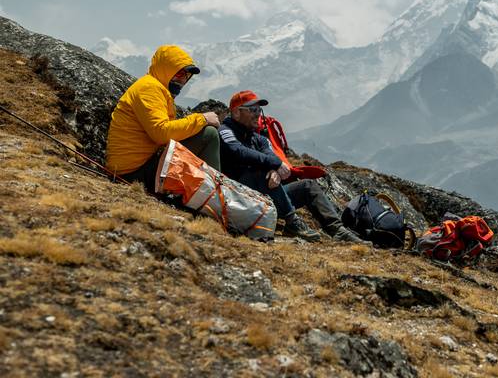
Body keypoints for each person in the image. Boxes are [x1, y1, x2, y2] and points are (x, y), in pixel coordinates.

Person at [219, 90, 369, 244]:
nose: (258, 114)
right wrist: (273, 166)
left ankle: (337, 230)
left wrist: (273, 169)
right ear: (237, 112)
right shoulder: (225, 131)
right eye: (253, 109)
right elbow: (239, 152)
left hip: (266, 195)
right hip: (238, 198)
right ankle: (292, 221)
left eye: (259, 109)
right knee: (258, 172)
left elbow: (271, 155)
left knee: (308, 186)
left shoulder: (258, 138)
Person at [106, 45, 221, 191]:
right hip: (132, 173)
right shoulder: (149, 88)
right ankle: (216, 192)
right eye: (179, 74)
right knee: (209, 134)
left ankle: (209, 191)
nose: (182, 81)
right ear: (166, 70)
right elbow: (161, 133)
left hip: (136, 167)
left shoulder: (156, 87)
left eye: (186, 76)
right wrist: (202, 119)